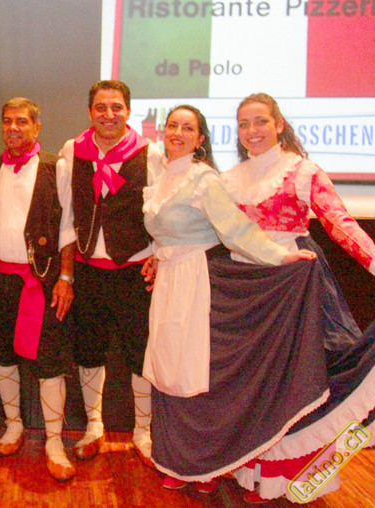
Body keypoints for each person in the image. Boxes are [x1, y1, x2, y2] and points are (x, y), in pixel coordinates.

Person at [142, 105, 318, 494]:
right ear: (163, 132)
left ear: (200, 139)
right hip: (169, 281)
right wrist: (156, 257)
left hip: (197, 281)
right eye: (173, 126)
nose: (178, 133)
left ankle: (205, 467)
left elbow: (236, 230)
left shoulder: (204, 180)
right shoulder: (162, 177)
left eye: (188, 128)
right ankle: (176, 460)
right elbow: (165, 232)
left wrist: (280, 256)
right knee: (168, 369)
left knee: (193, 372)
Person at [221, 93, 375, 503]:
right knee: (254, 385)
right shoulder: (229, 178)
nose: (252, 131)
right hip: (247, 290)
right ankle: (253, 472)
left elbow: (339, 223)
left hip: (294, 285)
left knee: (294, 385)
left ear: (278, 124)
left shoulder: (303, 171)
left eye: (260, 121)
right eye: (243, 124)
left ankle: (290, 476)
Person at [57, 80, 164, 465]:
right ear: (90, 112)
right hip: (88, 272)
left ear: (128, 111)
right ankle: (94, 426)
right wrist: (66, 276)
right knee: (89, 353)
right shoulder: (73, 151)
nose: (108, 114)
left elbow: (163, 215)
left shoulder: (150, 154)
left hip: (135, 272)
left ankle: (143, 432)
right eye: (101, 107)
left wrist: (159, 254)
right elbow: (67, 218)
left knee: (140, 354)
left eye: (116, 107)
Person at [0, 97, 77, 481]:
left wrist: (66, 278)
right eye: (7, 121)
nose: (13, 128)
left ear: (37, 127)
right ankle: (14, 426)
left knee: (49, 362)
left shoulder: (56, 167)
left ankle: (54, 441)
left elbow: (68, 228)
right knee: (1, 355)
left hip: (39, 280)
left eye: (22, 121)